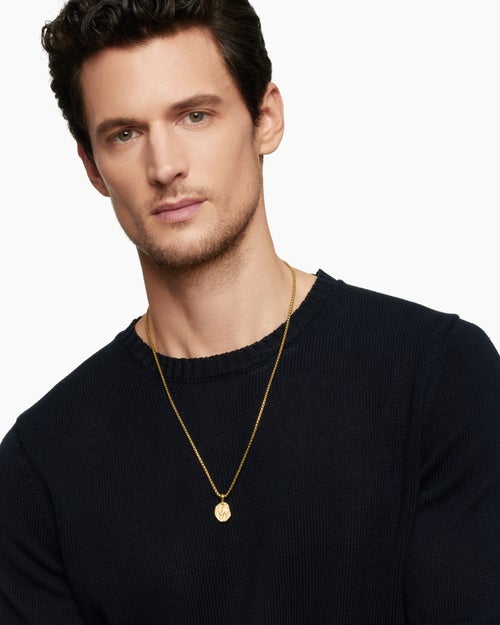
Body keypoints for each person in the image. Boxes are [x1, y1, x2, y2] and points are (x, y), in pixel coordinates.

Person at [1, 0, 499, 622]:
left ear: (266, 119)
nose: (165, 166)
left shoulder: (438, 375)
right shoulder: (40, 466)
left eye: (195, 115)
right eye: (125, 134)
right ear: (92, 167)